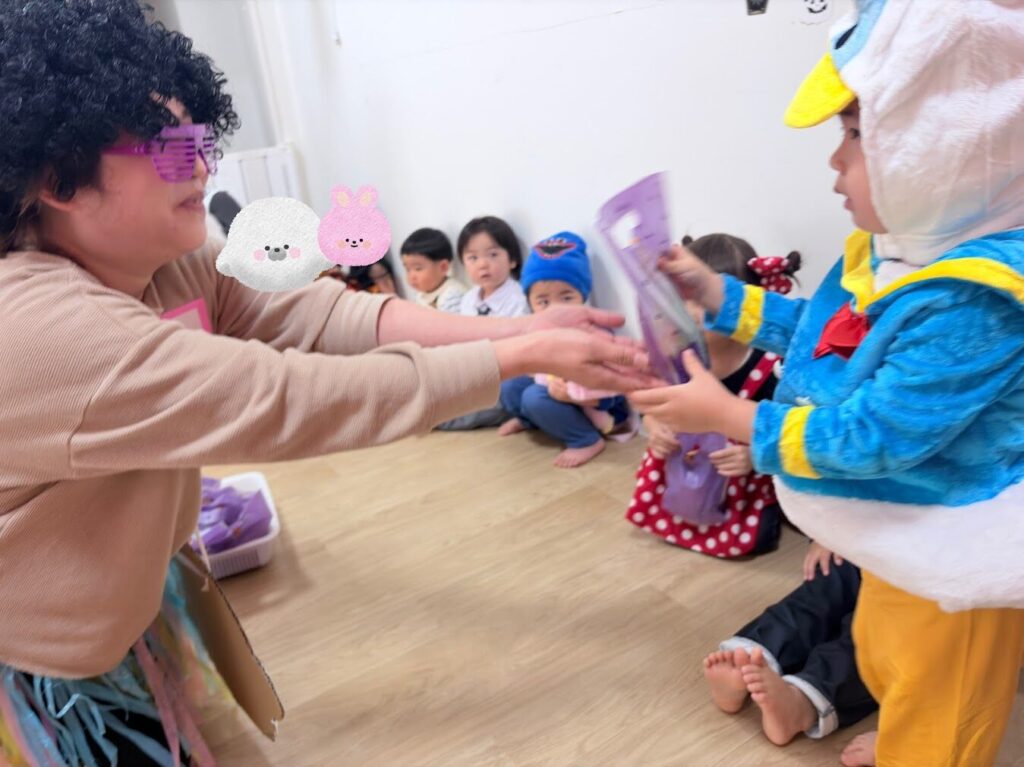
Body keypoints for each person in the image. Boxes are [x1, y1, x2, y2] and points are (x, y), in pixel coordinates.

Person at [0, 2, 655, 762]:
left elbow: (317, 314)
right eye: (168, 149)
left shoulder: (163, 257)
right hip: (45, 653)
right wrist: (518, 358)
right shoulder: (46, 331)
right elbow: (284, 397)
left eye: (199, 140)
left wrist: (520, 333)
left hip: (124, 593)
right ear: (59, 176)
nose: (202, 166)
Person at [630, 3, 1024, 764]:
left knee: (941, 694)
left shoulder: (975, 300)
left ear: (946, 149)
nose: (834, 162)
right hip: (900, 531)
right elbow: (825, 333)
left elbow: (873, 434)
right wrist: (718, 295)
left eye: (856, 136)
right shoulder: (909, 248)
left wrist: (734, 417)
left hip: (950, 541)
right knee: (883, 650)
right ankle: (906, 727)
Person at [627, 234, 799, 558]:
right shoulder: (676, 354)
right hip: (682, 468)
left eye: (701, 301)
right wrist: (654, 426)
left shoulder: (770, 366)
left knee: (760, 537)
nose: (690, 313)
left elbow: (788, 433)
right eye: (681, 300)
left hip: (739, 479)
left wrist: (753, 458)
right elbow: (650, 405)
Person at [704, 542, 876, 747]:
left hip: (909, 592)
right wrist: (824, 536)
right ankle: (754, 652)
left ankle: (802, 705)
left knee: (873, 636)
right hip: (869, 550)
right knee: (821, 589)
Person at [498, 232, 632, 468]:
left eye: (566, 298)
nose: (556, 310)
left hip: (597, 407)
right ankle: (529, 420)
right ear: (530, 303)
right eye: (543, 302)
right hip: (553, 392)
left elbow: (614, 390)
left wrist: (572, 395)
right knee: (509, 385)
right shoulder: (536, 329)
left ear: (583, 295)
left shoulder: (594, 333)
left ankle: (585, 440)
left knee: (533, 398)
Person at [400, 227, 467, 312]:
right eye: (408, 269)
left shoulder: (452, 296)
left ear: (443, 267)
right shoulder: (422, 293)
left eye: (418, 269)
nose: (411, 276)